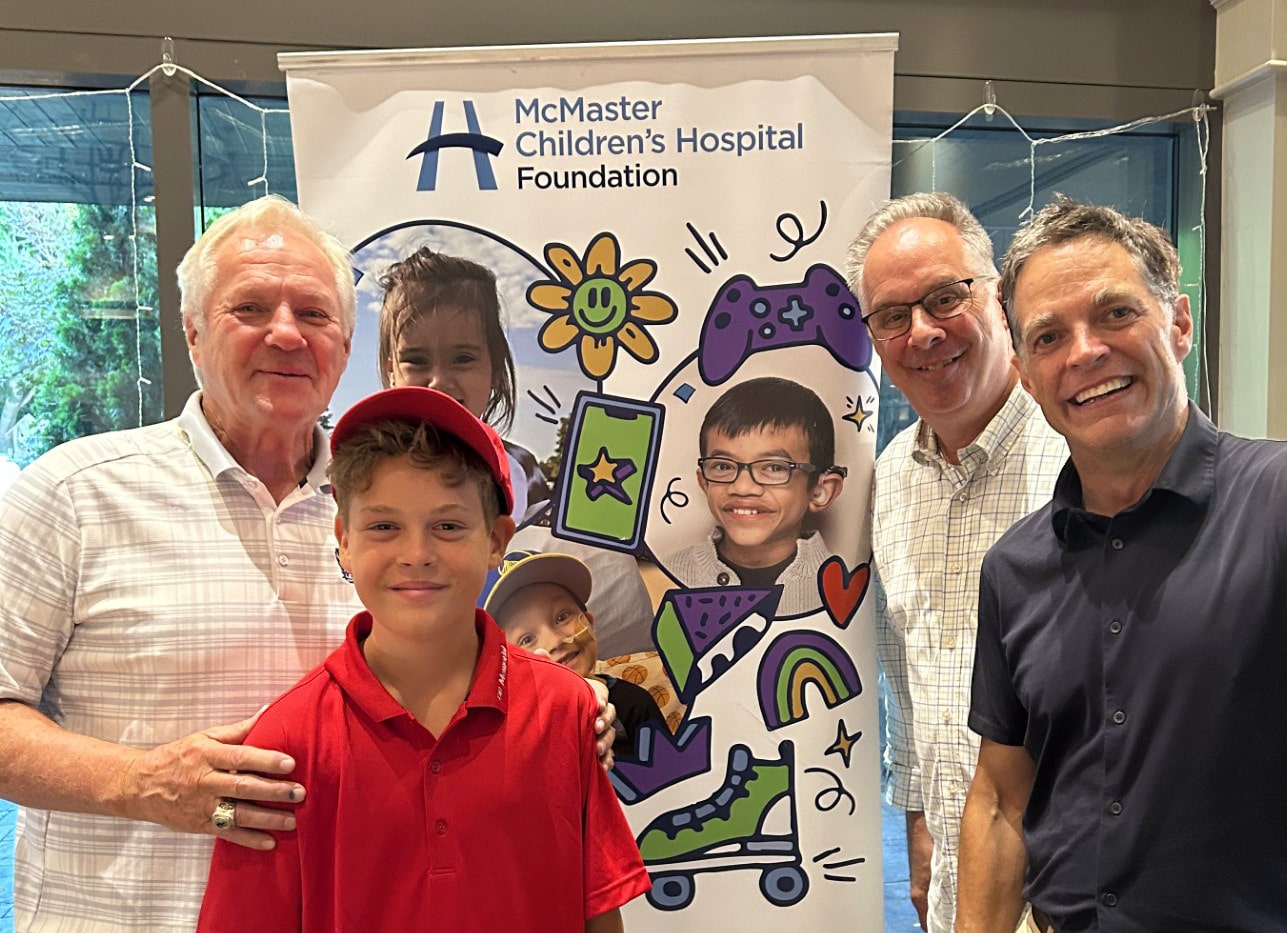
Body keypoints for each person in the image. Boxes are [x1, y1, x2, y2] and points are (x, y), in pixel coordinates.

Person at [0, 197, 615, 932]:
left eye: (314, 314)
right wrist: (140, 780)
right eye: (250, 307)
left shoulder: (386, 497)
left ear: (347, 345)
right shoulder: (73, 494)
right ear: (192, 332)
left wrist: (567, 716)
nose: (285, 333)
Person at [197, 386, 649, 932]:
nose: (416, 554)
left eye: (449, 525)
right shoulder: (287, 743)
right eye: (384, 526)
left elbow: (599, 911)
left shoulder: (566, 711)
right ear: (343, 539)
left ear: (496, 541)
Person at [957, 197, 1287, 932]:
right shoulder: (1014, 568)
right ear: (1026, 374)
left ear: (1178, 323)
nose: (1083, 352)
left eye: (1114, 314)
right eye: (1048, 336)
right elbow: (1002, 800)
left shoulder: (1274, 504)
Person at [844, 192, 1067, 933]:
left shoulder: (1079, 458)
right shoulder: (889, 486)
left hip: (1080, 891)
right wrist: (919, 834)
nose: (922, 332)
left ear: (996, 294)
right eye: (891, 316)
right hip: (956, 893)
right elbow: (906, 683)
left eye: (945, 297)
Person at [378, 246, 656, 658]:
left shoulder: (526, 477)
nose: (439, 381)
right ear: (389, 369)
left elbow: (617, 625)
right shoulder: (368, 486)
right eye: (416, 360)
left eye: (463, 358)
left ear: (495, 367)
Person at [665, 376, 846, 616]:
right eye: (723, 466)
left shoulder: (846, 586)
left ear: (821, 491)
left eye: (774, 468)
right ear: (704, 482)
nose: (742, 487)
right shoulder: (668, 574)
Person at [485, 549, 667, 760]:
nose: (555, 641)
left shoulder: (632, 703)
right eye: (526, 640)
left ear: (589, 622)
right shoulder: (509, 737)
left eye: (562, 617)